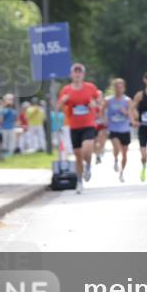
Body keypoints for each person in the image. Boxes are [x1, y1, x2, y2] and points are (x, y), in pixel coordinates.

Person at [57, 62, 103, 194]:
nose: (77, 74)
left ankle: (88, 166)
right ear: (71, 74)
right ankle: (79, 181)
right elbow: (58, 108)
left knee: (86, 150)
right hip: (74, 126)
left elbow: (99, 102)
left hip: (89, 124)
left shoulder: (90, 87)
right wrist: (63, 100)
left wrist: (95, 104)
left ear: (83, 74)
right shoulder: (66, 90)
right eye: (75, 72)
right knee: (78, 156)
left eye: (79, 72)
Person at [105, 78, 133, 183]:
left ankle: (122, 173)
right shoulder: (109, 100)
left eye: (120, 87)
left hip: (125, 129)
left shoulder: (127, 100)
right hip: (113, 128)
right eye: (116, 87)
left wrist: (126, 112)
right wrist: (104, 119)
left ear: (124, 88)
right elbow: (102, 109)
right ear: (114, 88)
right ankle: (116, 159)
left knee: (125, 154)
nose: (118, 89)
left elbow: (133, 114)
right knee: (116, 147)